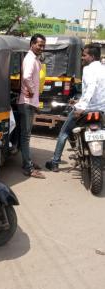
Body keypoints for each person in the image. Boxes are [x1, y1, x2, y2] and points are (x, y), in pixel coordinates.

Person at [46, 44, 105, 172]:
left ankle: (55, 162)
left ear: (92, 57)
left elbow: (91, 88)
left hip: (86, 110)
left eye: (84, 55)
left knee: (64, 133)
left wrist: (81, 106)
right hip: (101, 110)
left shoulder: (89, 70)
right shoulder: (103, 69)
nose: (82, 58)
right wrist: (79, 100)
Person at [17, 33, 46, 179]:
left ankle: (27, 162)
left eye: (43, 45)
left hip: (29, 102)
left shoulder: (34, 59)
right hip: (26, 103)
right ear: (32, 44)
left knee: (26, 135)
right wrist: (33, 91)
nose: (42, 47)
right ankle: (28, 167)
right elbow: (27, 77)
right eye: (39, 45)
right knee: (26, 136)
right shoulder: (30, 59)